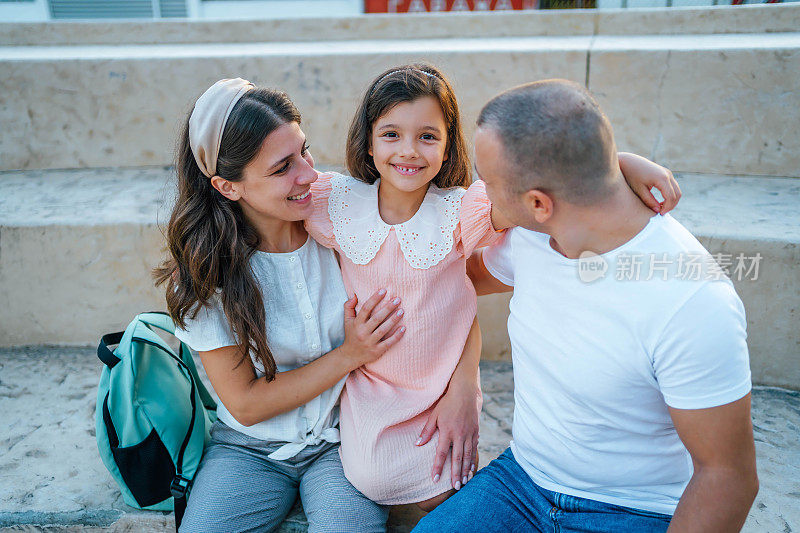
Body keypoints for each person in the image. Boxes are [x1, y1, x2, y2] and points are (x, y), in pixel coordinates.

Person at [304, 64, 683, 511]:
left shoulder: (460, 212)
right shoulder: (339, 202)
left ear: (448, 148)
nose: (409, 151)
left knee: (442, 480)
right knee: (372, 476)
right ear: (367, 142)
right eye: (391, 134)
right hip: (372, 385)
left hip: (439, 386)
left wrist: (619, 164)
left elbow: (542, 184)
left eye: (428, 136)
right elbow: (270, 191)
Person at [413, 79, 758, 532]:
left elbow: (728, 476)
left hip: (634, 510)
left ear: (538, 202)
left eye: (488, 182)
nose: (479, 194)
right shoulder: (532, 237)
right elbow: (452, 281)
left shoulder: (692, 302)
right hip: (522, 482)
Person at [154, 79, 401, 532]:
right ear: (228, 186)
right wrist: (349, 355)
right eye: (282, 167)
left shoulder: (344, 220)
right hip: (248, 450)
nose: (308, 174)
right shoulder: (207, 275)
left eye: (305, 151)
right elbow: (246, 404)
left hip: (346, 438)